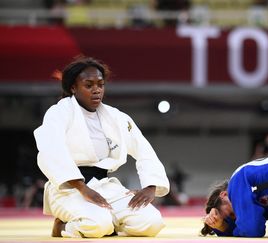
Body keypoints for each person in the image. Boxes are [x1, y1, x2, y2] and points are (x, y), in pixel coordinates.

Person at [34, 56, 170, 238]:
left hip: (105, 187)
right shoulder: (59, 113)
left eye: (100, 84)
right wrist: (82, 188)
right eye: (88, 85)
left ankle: (109, 221)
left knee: (151, 223)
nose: (96, 90)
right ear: (73, 88)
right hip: (69, 189)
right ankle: (63, 227)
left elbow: (143, 149)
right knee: (97, 226)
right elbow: (51, 152)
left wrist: (151, 186)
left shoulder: (116, 117)